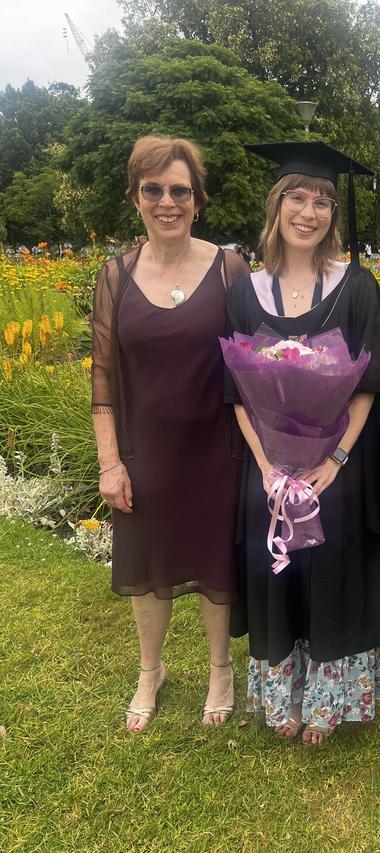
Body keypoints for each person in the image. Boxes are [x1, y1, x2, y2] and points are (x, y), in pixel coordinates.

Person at [225, 141, 380, 745]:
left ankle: (329, 701)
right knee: (279, 573)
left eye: (324, 201)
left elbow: (372, 384)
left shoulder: (356, 287)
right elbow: (234, 390)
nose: (311, 212)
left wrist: (334, 460)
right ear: (276, 206)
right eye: (298, 198)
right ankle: (285, 699)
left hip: (338, 469)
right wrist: (267, 466)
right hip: (270, 471)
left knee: (334, 573)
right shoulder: (243, 291)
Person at [91, 135, 249, 732]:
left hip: (217, 450)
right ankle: (149, 670)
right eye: (153, 189)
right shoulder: (116, 276)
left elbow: (253, 357)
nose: (167, 201)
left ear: (197, 198)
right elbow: (103, 376)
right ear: (136, 197)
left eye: (179, 190)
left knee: (214, 563)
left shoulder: (229, 268)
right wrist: (111, 461)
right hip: (144, 451)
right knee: (149, 564)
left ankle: (219, 671)